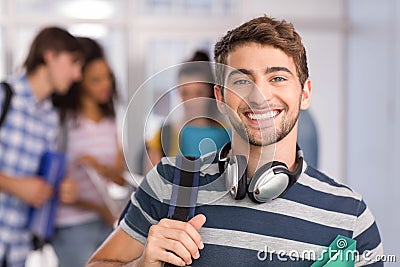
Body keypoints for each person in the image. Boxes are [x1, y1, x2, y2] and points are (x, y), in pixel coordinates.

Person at [87, 15, 383, 266]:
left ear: (305, 93)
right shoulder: (168, 182)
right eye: (242, 80)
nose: (259, 95)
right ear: (220, 97)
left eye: (277, 78)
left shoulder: (350, 216)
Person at [0, 27, 82, 267]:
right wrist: (15, 186)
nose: (77, 75)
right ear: (50, 55)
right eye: (73, 62)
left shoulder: (51, 118)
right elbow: (22, 185)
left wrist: (62, 188)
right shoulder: (5, 97)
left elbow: (40, 179)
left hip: (17, 250)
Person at [51, 37, 126, 267]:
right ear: (79, 80)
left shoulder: (111, 121)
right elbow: (55, 184)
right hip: (72, 226)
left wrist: (101, 169)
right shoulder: (63, 123)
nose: (106, 85)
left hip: (108, 223)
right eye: (96, 80)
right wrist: (97, 207)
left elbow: (120, 178)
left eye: (108, 77)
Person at [143, 50, 231, 173]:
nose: (192, 101)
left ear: (211, 93)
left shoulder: (230, 136)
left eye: (199, 93)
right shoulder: (162, 135)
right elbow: (151, 186)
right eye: (185, 93)